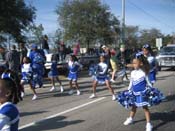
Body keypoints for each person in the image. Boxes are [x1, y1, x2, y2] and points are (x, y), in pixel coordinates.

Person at [120, 52, 153, 131]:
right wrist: (128, 91)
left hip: (142, 93)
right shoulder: (132, 72)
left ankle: (148, 124)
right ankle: (131, 118)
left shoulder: (144, 73)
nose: (134, 65)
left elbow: (149, 83)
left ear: (141, 63)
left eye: (135, 63)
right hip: (134, 93)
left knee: (145, 108)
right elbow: (131, 83)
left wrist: (151, 91)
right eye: (133, 63)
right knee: (134, 107)